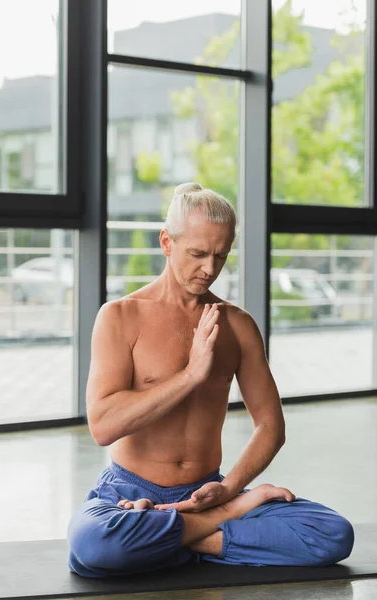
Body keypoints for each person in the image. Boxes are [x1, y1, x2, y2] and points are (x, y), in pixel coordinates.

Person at [67, 182, 354, 578]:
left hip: (208, 493)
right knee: (95, 541)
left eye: (220, 256)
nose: (209, 269)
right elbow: (102, 425)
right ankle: (220, 528)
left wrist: (231, 489)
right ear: (167, 242)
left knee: (332, 535)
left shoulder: (237, 325)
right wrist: (191, 376)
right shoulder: (120, 316)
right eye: (198, 254)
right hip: (130, 495)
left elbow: (270, 425)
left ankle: (172, 539)